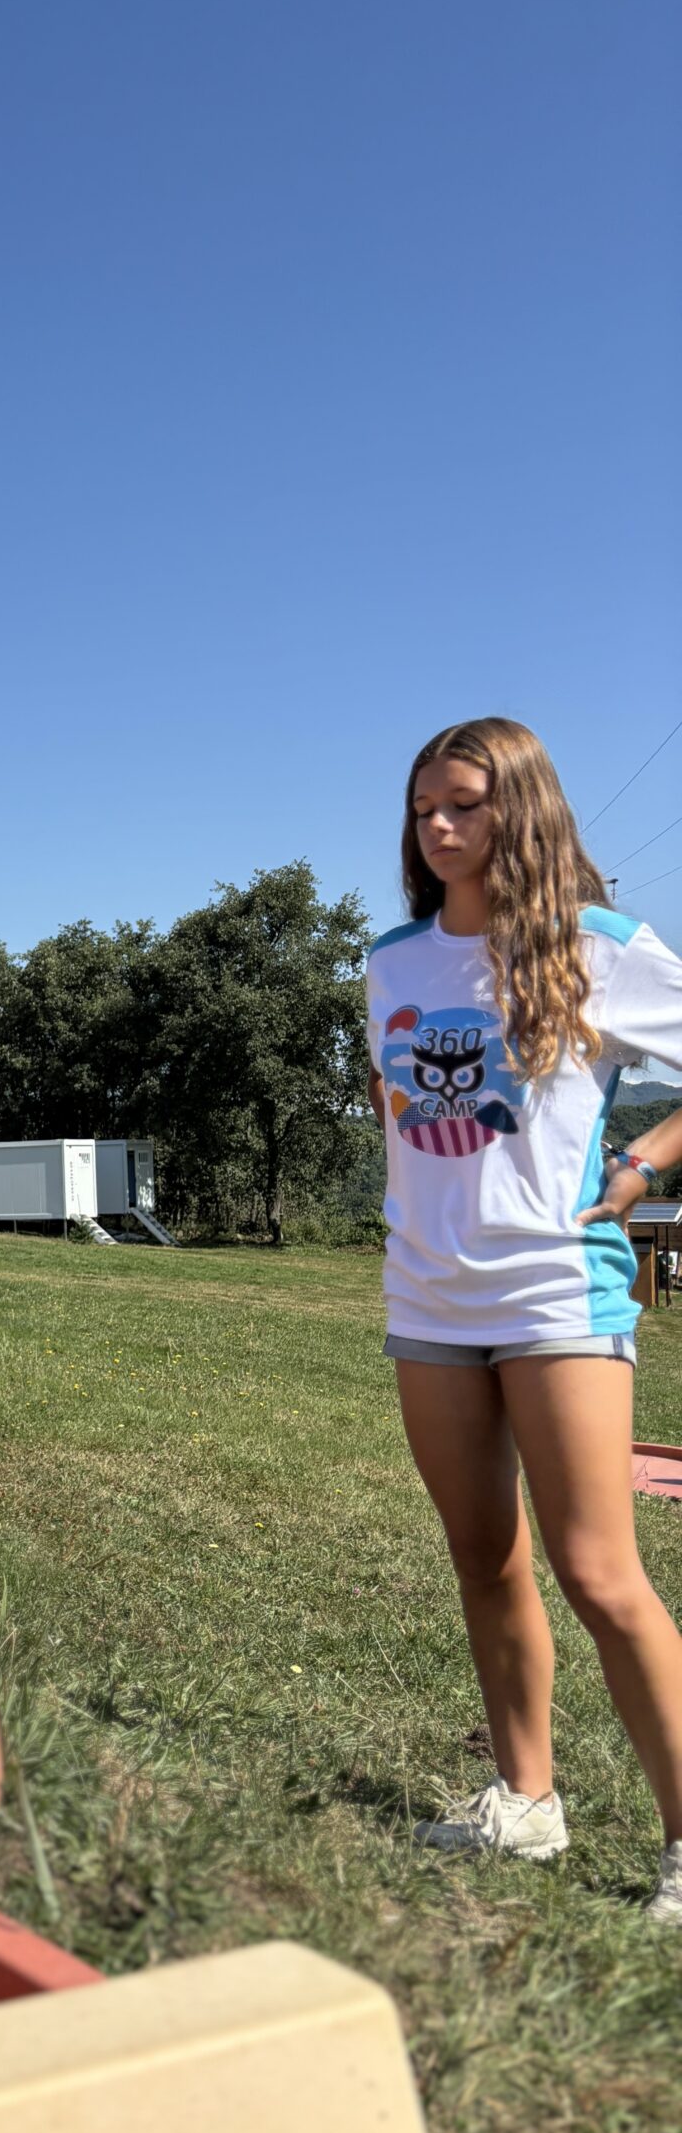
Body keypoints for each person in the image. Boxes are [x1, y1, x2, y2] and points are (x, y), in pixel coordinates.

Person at [367, 717, 682, 1926]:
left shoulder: (595, 947)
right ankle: (527, 1801)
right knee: (482, 1557)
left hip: (558, 1292)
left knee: (598, 1571)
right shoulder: (393, 962)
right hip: (428, 1296)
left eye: (465, 805)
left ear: (523, 810)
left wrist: (645, 1160)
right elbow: (407, 1118)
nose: (439, 829)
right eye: (424, 810)